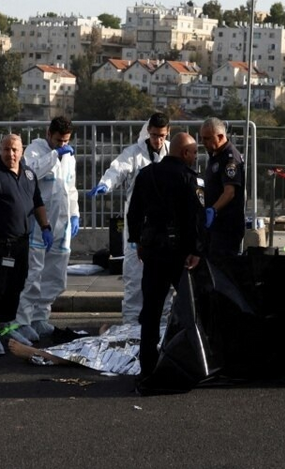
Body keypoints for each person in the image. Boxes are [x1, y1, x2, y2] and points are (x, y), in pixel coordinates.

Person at [126, 132, 205, 378]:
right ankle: (188, 361)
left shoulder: (147, 175)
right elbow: (197, 219)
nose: (195, 157)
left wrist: (137, 241)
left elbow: (134, 213)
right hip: (181, 254)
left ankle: (147, 364)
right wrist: (196, 251)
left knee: (150, 310)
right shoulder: (191, 179)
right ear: (185, 153)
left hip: (153, 251)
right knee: (189, 310)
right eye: (193, 152)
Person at [0, 134, 52, 356]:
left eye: (15, 149)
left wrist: (45, 227)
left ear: (22, 151)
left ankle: (5, 324)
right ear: (0, 151)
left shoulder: (28, 174)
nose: (11, 154)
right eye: (6, 149)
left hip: (21, 243)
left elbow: (37, 202)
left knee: (15, 287)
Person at [89, 112, 171, 323]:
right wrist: (106, 183)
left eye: (161, 135)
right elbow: (118, 168)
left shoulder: (172, 152)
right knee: (134, 277)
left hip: (164, 227)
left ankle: (163, 323)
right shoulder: (135, 153)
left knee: (165, 279)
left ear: (167, 132)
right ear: (148, 133)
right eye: (154, 135)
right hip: (139, 227)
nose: (157, 140)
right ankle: (131, 323)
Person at [13, 117, 79, 342]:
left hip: (61, 223)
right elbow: (30, 174)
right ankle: (21, 321)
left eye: (66, 141)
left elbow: (70, 186)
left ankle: (40, 317)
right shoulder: (34, 150)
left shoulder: (68, 155)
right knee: (32, 275)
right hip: (39, 225)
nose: (62, 144)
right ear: (48, 133)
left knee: (56, 276)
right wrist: (54, 156)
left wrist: (74, 213)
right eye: (59, 140)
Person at [198, 117, 245, 261]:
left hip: (227, 226)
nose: (203, 142)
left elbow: (229, 192)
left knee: (222, 268)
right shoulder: (216, 155)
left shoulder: (230, 159)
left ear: (220, 136)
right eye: (202, 138)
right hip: (216, 226)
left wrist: (213, 210)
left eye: (207, 138)